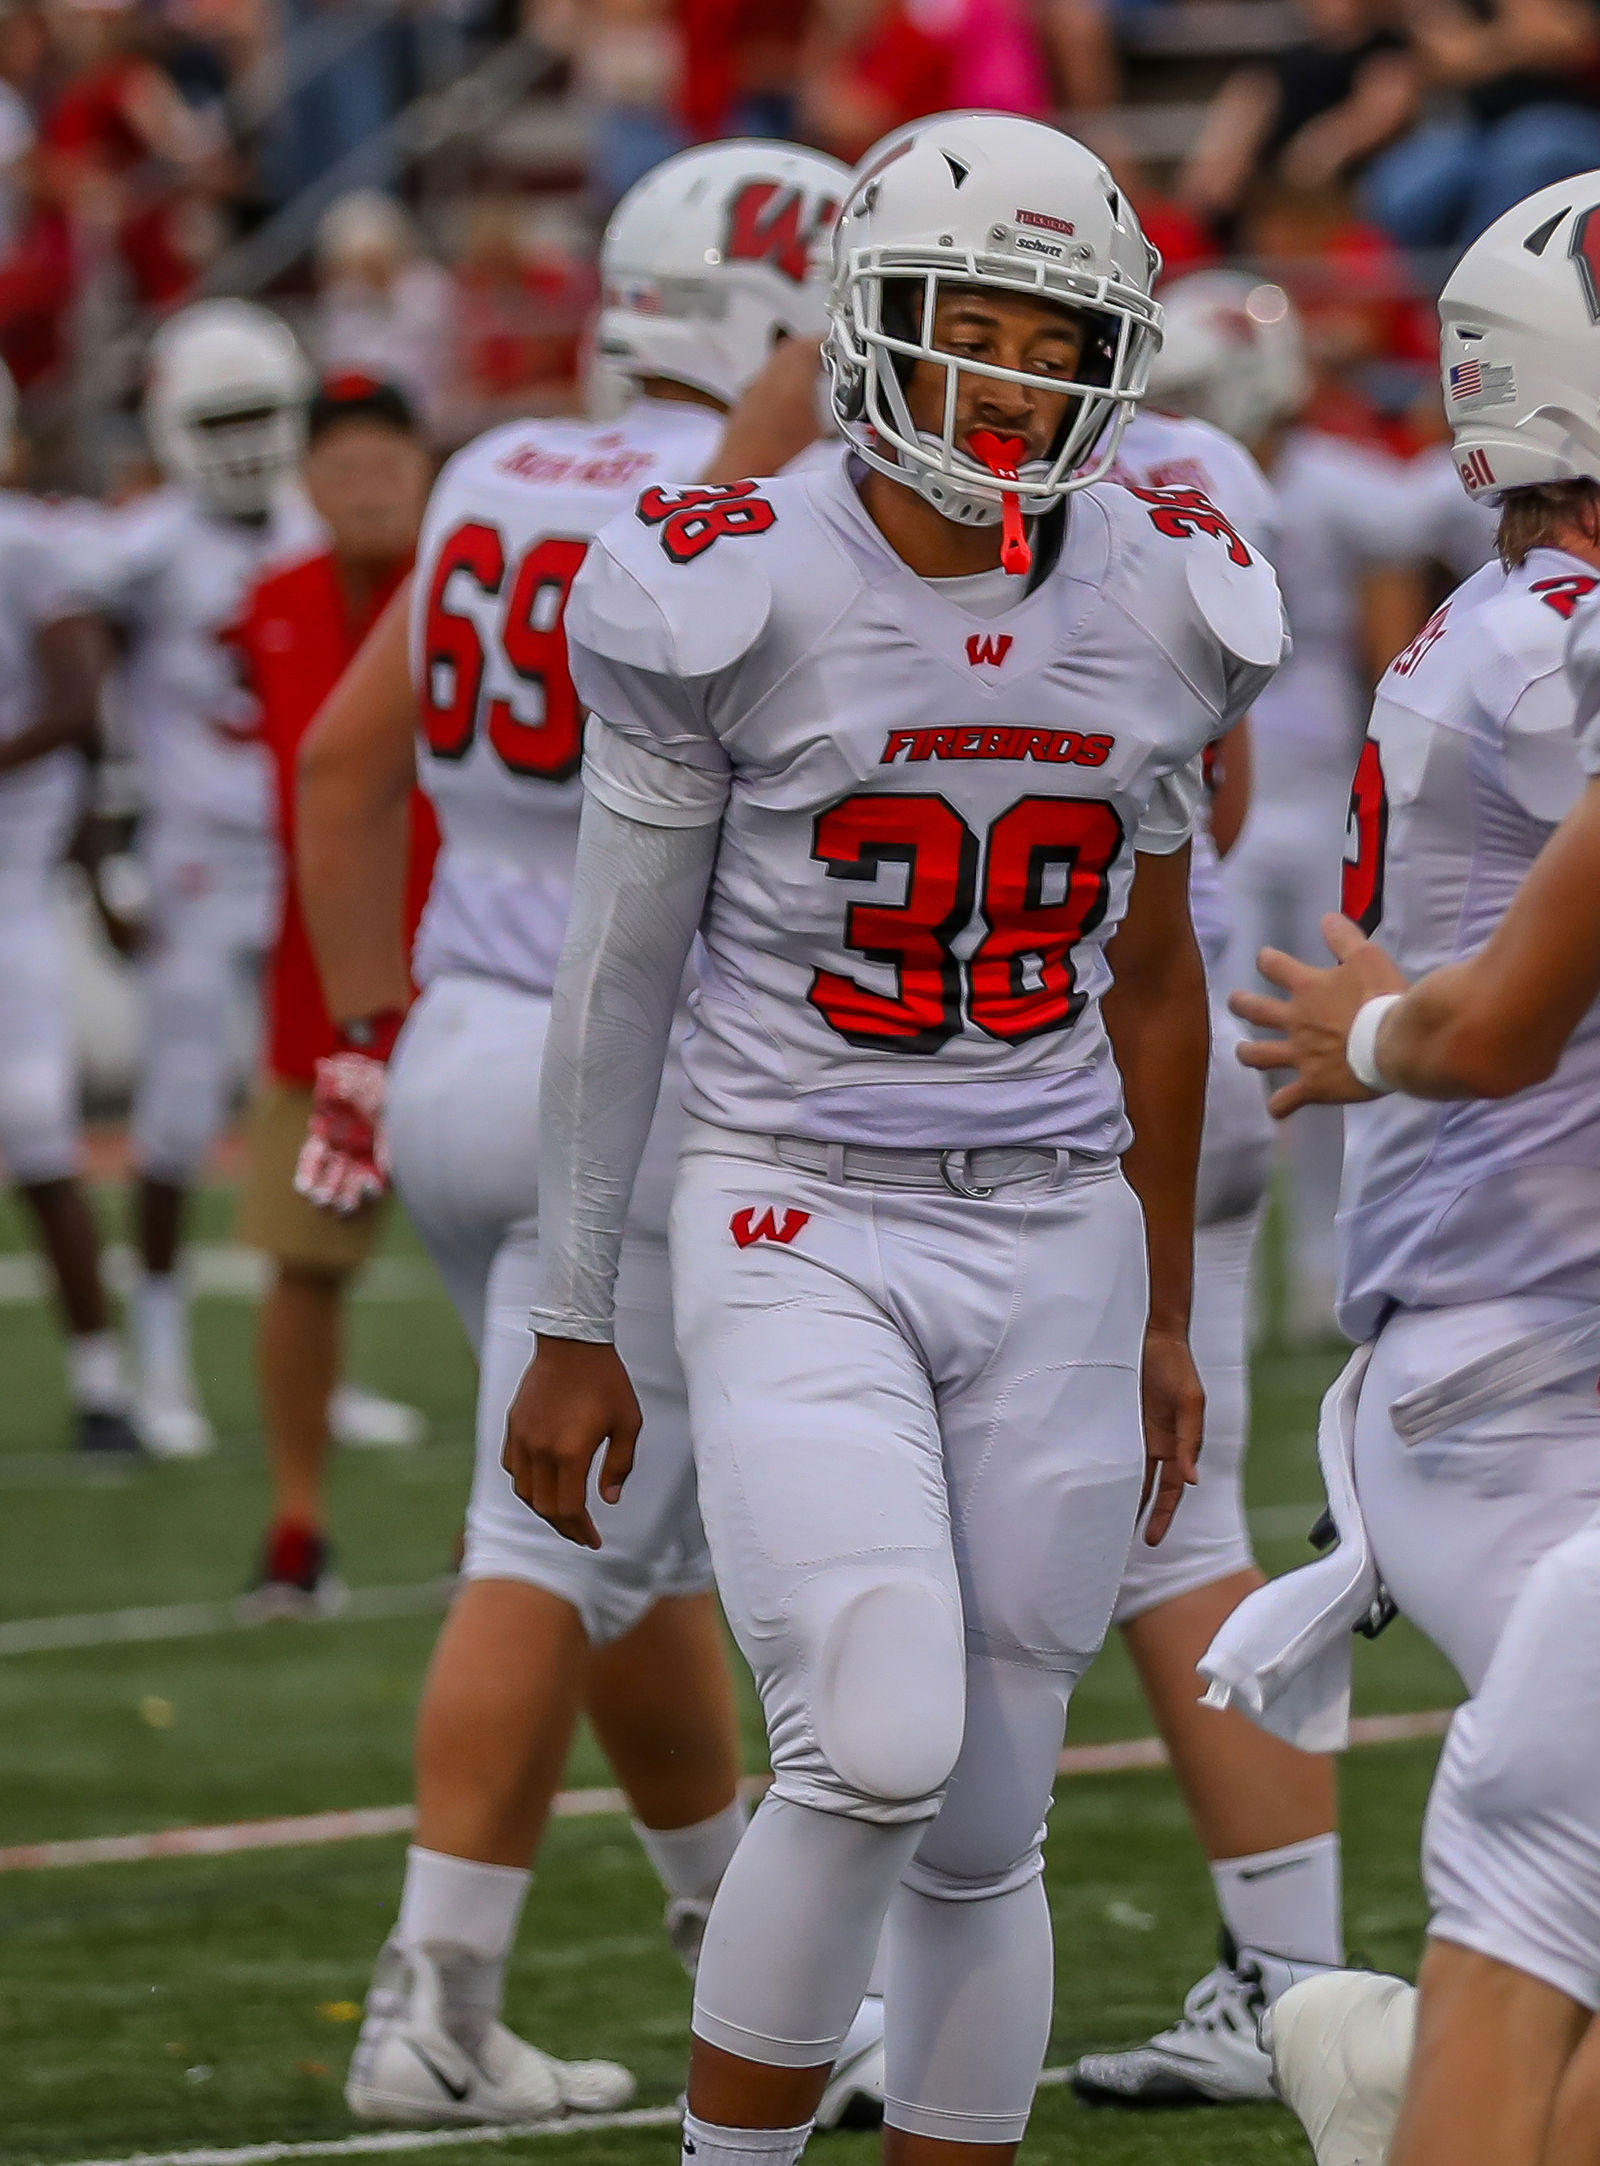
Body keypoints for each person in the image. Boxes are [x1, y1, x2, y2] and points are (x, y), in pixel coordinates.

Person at [504, 109, 1286, 2166]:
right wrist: (577, 1312)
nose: (1017, 380)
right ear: (872, 330)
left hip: (1053, 1227)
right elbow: (613, 978)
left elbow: (1150, 977)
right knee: (866, 1736)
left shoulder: (1173, 590)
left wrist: (1166, 1310)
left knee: (987, 1813)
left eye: (1057, 342)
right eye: (980, 328)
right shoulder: (730, 577)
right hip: (796, 1207)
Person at [293, 141, 875, 2126]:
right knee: (543, 1540)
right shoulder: (744, 502)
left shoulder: (489, 473)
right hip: (606, 1069)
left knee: (621, 1540)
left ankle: (728, 1932)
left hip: (455, 1034)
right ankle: (434, 2005)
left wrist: (364, 1031)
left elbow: (345, 761)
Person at [1221, 173, 1600, 2166]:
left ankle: (1392, 2081)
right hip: (1515, 1389)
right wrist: (1390, 1038)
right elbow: (1494, 1027)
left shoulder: (1521, 628)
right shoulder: (1553, 647)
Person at [1068, 289, 1345, 2108]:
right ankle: (1301, 1982)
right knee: (1190, 1531)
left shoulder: (994, 495)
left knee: (914, 1561)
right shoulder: (1206, 465)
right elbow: (1215, 786)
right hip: (1206, 1016)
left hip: (1051, 1058)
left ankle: (854, 2006)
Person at [95, 301, 412, 1459]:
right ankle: (158, 1365)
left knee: (336, 1100)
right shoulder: (135, 550)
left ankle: (317, 1373)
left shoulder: (311, 529)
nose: (240, 443)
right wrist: (99, 852)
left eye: (257, 416)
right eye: (215, 418)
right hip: (191, 857)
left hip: (311, 861)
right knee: (177, 1118)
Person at [1153, 267, 1429, 1341]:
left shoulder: (1338, 487)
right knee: (1215, 1044)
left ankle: (1322, 1257)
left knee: (1328, 1029)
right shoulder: (1161, 485)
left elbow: (1396, 647)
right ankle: (1221, 1270)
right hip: (1222, 795)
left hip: (1311, 793)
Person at [233, 374, 437, 1618]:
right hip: (329, 1025)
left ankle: (548, 1532)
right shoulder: (268, 606)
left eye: (386, 458)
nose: (366, 480)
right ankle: (296, 1524)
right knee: (306, 1263)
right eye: (342, 462)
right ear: (306, 484)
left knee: (543, 1273)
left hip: (475, 994)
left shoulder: (477, 590)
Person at [0, 359, 140, 1456]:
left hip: (12, 889)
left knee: (41, 1135)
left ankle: (101, 1386)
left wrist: (95, 880)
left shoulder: (30, 544)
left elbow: (79, 698)